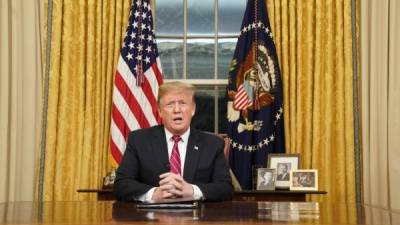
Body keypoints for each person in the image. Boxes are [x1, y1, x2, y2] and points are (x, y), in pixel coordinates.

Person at [114, 81, 234, 202]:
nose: (177, 110)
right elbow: (121, 185)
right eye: (170, 105)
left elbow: (226, 188)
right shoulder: (139, 141)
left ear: (193, 109)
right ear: (160, 111)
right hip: (150, 218)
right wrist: (153, 194)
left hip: (196, 217)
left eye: (182, 103)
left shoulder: (213, 144)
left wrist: (192, 191)